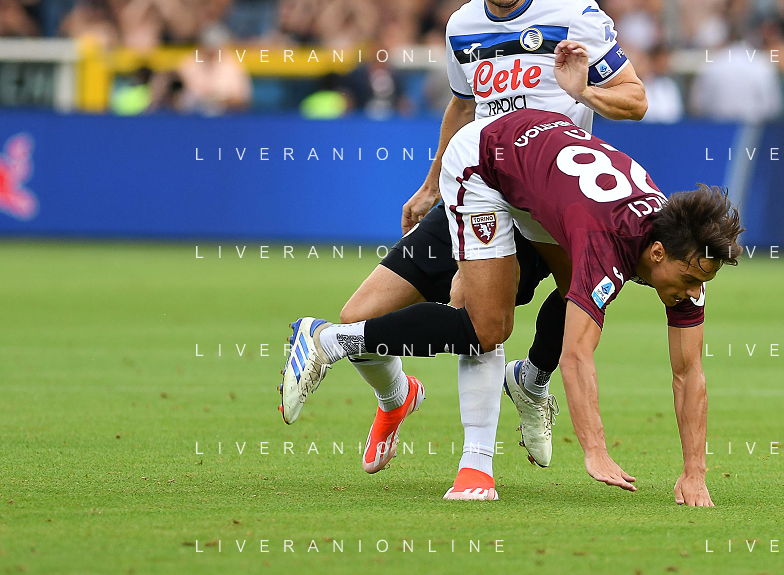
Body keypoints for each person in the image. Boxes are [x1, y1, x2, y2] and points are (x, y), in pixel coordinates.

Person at [283, 0, 648, 493]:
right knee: (363, 316)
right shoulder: (462, 26)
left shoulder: (575, 15)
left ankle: (511, 411)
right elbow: (462, 105)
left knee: (540, 303)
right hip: (478, 184)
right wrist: (430, 184)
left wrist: (584, 92)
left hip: (548, 200)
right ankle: (398, 397)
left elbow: (635, 99)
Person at [282, 106, 744, 504]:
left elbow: (689, 372)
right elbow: (577, 356)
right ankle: (330, 341)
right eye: (688, 280)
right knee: (487, 326)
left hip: (541, 164)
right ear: (657, 253)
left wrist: (695, 472)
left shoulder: (684, 252)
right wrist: (595, 450)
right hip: (485, 161)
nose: (692, 292)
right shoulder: (607, 244)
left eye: (700, 282)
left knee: (575, 292)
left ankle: (528, 380)